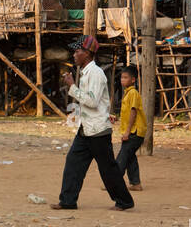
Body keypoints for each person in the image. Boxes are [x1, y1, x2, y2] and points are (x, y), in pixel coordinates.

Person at [53, 35, 134, 211]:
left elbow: (92, 101)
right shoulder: (87, 73)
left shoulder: (95, 74)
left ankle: (125, 201)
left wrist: (72, 87)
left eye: (77, 51)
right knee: (73, 163)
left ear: (87, 54)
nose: (74, 54)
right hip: (87, 129)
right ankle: (67, 201)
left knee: (108, 169)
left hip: (97, 131)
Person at [113, 64, 146, 191]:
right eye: (121, 77)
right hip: (133, 130)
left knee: (122, 157)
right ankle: (135, 183)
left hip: (135, 131)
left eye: (126, 77)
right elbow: (127, 114)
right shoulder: (128, 93)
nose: (122, 80)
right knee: (130, 157)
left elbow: (133, 112)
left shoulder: (133, 93)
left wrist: (127, 131)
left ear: (133, 80)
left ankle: (114, 183)